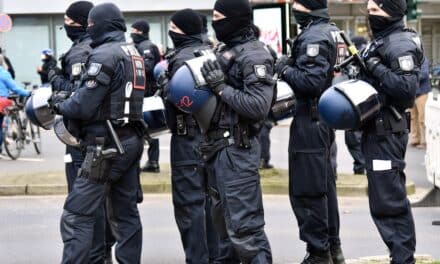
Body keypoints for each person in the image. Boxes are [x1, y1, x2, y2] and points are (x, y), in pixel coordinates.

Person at [50, 3, 145, 263]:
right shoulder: (132, 51)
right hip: (130, 138)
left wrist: (59, 102)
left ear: (102, 25)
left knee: (76, 215)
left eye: (91, 24)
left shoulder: (104, 55)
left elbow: (83, 104)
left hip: (104, 145)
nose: (89, 29)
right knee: (125, 215)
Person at [199, 0, 274, 262]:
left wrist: (220, 87)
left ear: (234, 18)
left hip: (237, 152)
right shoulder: (227, 51)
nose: (214, 22)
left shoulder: (254, 55)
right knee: (224, 234)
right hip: (217, 150)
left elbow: (257, 106)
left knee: (246, 232)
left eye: (219, 16)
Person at [275, 0, 345, 262]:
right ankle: (332, 248)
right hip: (323, 119)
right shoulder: (329, 29)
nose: (293, 6)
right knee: (324, 186)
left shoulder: (314, 35)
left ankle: (318, 253)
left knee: (308, 190)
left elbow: (310, 81)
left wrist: (283, 66)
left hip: (311, 119)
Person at [48, 1, 116, 263]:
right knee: (103, 204)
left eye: (68, 21)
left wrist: (55, 81)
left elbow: (80, 97)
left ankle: (95, 257)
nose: (66, 25)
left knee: (81, 208)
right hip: (107, 137)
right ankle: (102, 254)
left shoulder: (81, 52)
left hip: (83, 139)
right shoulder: (105, 48)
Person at [359, 1, 424, 262]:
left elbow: (406, 90)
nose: (370, 14)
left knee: (390, 203)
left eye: (376, 10)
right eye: (369, 9)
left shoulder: (399, 44)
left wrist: (373, 65)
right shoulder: (385, 41)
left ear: (392, 11)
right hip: (378, 130)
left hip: (388, 131)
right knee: (383, 200)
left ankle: (403, 258)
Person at [163, 8, 219, 263]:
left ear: (183, 31)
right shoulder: (209, 51)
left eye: (173, 29)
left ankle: (196, 259)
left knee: (189, 205)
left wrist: (165, 89)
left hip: (188, 139)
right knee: (210, 203)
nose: (171, 33)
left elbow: (178, 101)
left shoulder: (181, 58)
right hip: (211, 137)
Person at [129, 19, 163, 173]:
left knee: (148, 128)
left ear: (141, 31)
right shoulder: (139, 46)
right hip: (142, 93)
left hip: (147, 93)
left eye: (134, 30)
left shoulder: (147, 47)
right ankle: (149, 161)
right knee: (144, 128)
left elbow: (148, 68)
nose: (132, 33)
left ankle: (152, 162)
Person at [344, 36, 368, 175]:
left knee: (354, 138)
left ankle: (360, 167)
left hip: (357, 104)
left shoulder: (360, 58)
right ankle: (360, 166)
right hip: (358, 105)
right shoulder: (354, 59)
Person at [0, 55, 30, 157]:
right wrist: (28, 93)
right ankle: (12, 128)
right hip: (2, 102)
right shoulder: (4, 74)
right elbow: (15, 89)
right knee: (12, 108)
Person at [410, 58, 431, 149]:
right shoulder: (409, 60)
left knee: (422, 118)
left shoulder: (423, 60)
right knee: (413, 118)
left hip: (422, 92)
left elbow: (424, 74)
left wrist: (411, 76)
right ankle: (415, 140)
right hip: (412, 94)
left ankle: (424, 141)